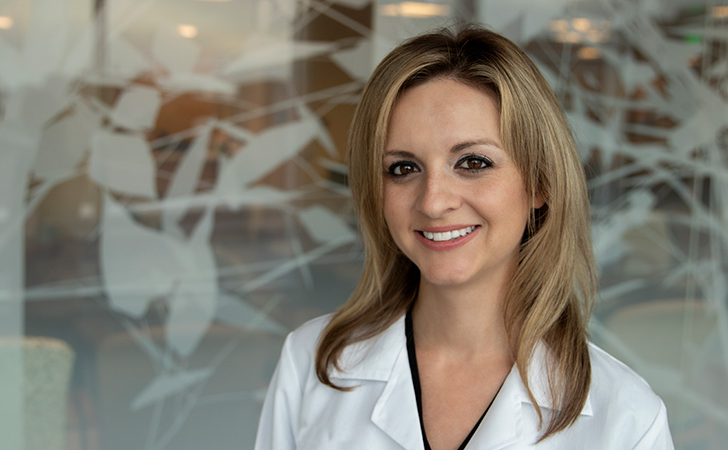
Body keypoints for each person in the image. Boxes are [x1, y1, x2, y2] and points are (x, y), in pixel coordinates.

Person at [254, 24, 675, 450]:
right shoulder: (312, 363)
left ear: (539, 183)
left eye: (473, 162)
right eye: (403, 168)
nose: (433, 202)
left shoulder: (626, 418)